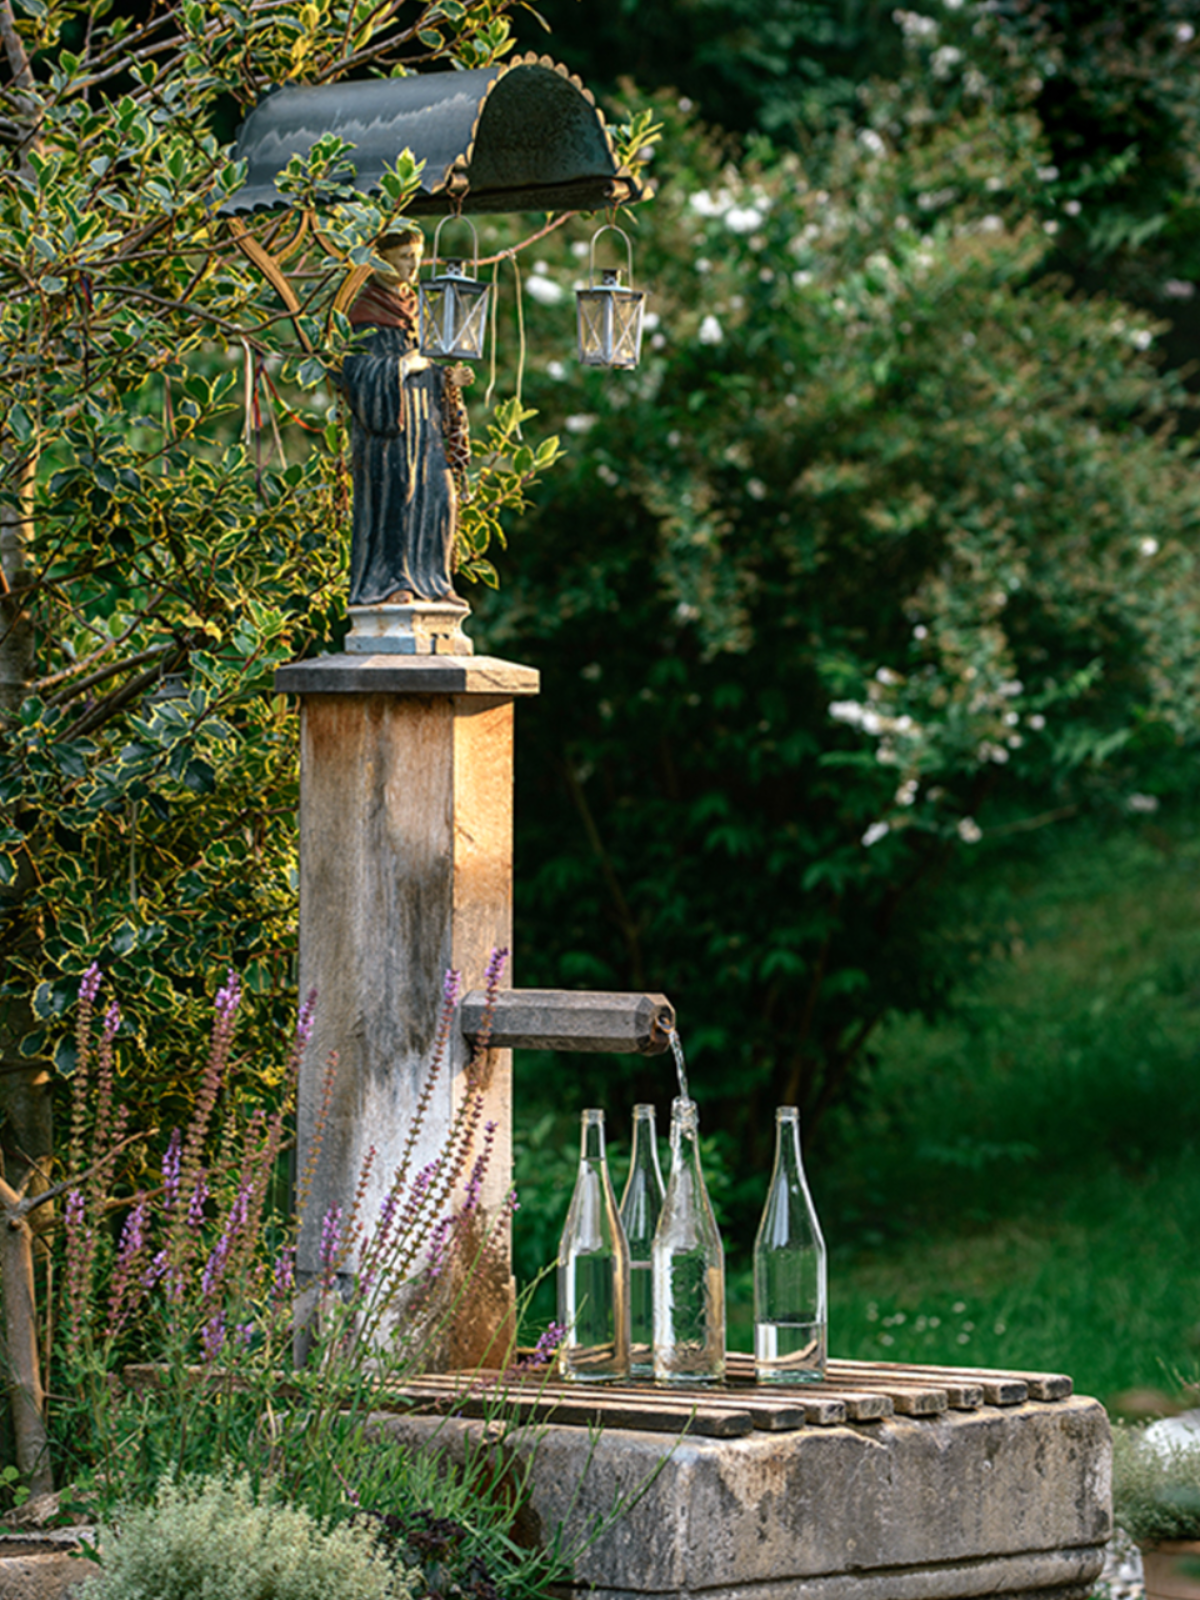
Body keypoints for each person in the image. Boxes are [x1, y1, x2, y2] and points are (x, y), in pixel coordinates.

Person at [337, 227, 473, 607]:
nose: (413, 265)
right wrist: (401, 366)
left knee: (440, 495)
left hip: (425, 422)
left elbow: (430, 362)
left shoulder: (419, 307)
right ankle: (391, 581)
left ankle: (434, 580)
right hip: (389, 430)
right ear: (381, 259)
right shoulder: (363, 310)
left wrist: (448, 377)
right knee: (398, 494)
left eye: (417, 256)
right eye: (404, 257)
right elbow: (354, 372)